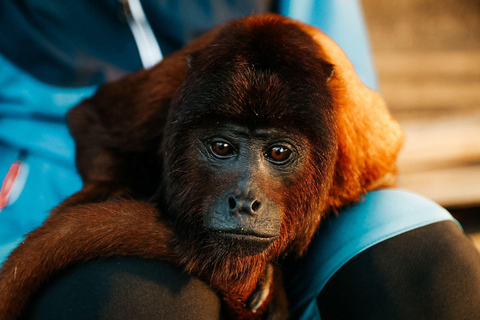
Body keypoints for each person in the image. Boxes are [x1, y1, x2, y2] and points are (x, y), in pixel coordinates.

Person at [1, 1, 479, 319]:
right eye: (223, 149)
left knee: (422, 263)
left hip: (305, 209)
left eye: (277, 154)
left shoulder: (355, 131)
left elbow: (351, 115)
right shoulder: (132, 112)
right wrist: (105, 198)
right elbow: (96, 122)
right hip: (50, 187)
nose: (247, 197)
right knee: (141, 301)